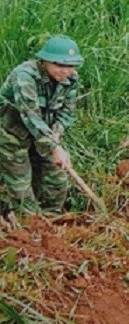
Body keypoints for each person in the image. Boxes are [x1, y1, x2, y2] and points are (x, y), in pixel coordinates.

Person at [0, 35, 83, 213]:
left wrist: (56, 136)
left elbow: (66, 113)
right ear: (44, 61)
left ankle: (51, 223)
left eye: (70, 65)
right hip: (11, 135)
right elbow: (30, 115)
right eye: (59, 65)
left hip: (44, 136)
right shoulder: (25, 76)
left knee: (57, 181)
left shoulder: (71, 79)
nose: (65, 71)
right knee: (21, 189)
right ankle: (29, 228)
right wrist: (54, 147)